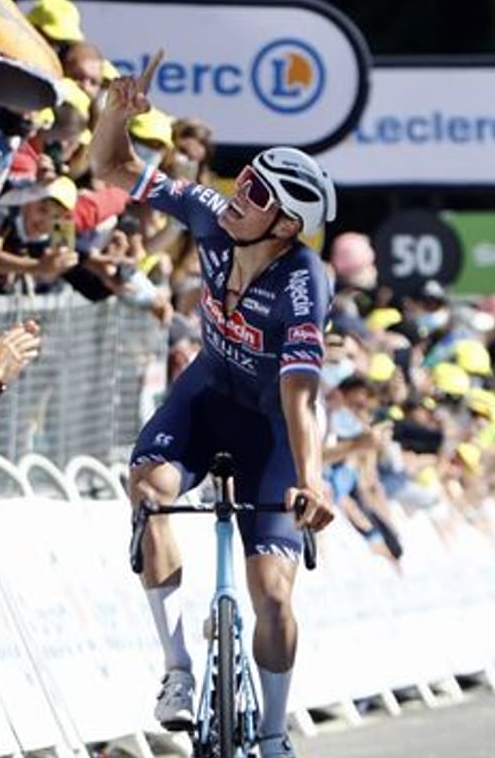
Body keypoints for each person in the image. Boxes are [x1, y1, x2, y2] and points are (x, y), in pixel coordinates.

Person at [90, 61, 336, 757]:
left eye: (255, 192)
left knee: (274, 595)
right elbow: (110, 165)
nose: (237, 193)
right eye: (243, 177)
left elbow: (300, 391)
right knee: (149, 490)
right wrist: (117, 111)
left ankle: (271, 730)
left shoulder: (302, 283)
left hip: (274, 432)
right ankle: (175, 669)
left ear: (287, 224)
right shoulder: (207, 213)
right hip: (206, 397)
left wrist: (311, 480)